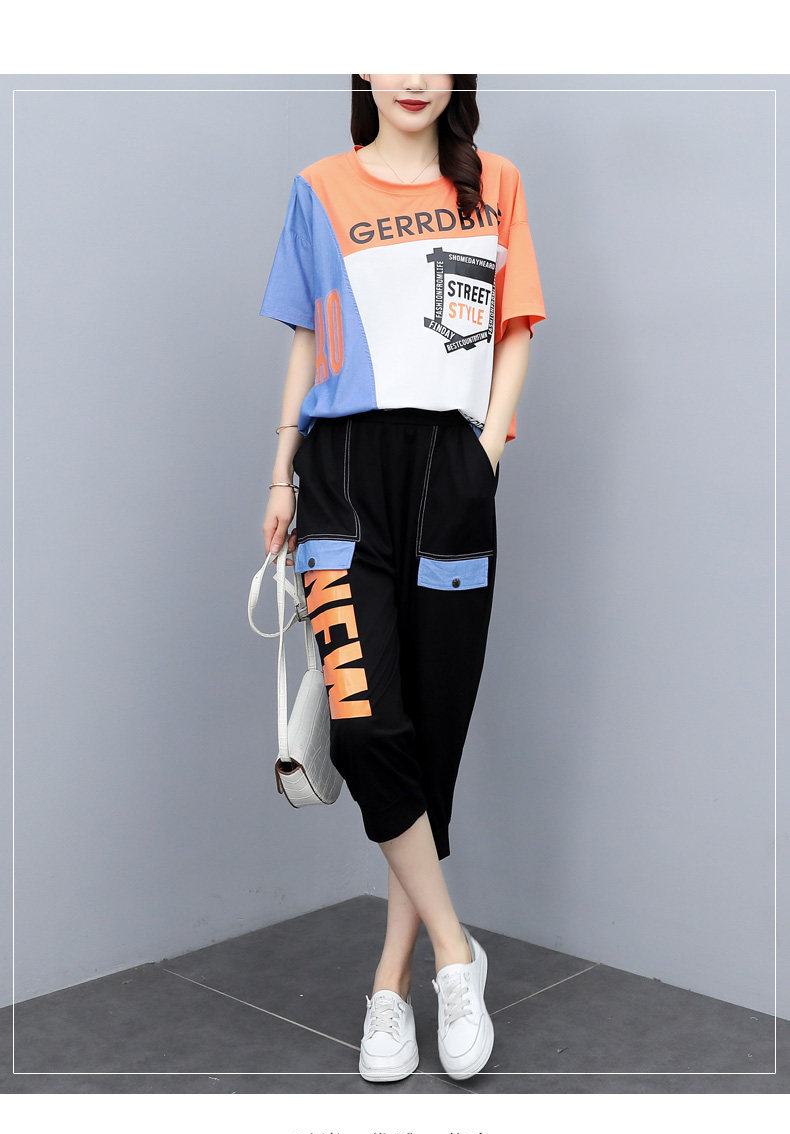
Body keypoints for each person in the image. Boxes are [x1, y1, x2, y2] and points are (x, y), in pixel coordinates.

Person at [259, 74, 545, 1082]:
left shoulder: (494, 183)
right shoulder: (319, 187)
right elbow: (308, 336)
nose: (415, 75)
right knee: (366, 723)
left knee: (427, 735)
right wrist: (281, 469)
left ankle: (391, 982)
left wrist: (484, 460)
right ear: (363, 71)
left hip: (448, 475)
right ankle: (456, 952)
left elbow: (512, 331)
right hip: (340, 472)